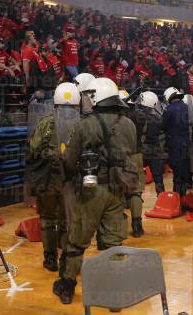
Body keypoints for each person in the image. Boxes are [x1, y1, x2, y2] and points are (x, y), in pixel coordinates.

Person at [62, 77, 138, 304]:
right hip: (118, 191)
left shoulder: (85, 124)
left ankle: (66, 288)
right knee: (112, 244)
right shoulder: (130, 125)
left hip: (91, 191)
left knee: (77, 243)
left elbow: (69, 160)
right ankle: (114, 295)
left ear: (96, 98)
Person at [27, 82, 81, 304]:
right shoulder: (81, 124)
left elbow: (33, 147)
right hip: (71, 180)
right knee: (68, 221)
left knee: (48, 220)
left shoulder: (47, 122)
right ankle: (67, 262)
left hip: (49, 178)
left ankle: (50, 258)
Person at [120, 89, 147, 238]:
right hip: (136, 156)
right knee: (136, 191)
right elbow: (144, 134)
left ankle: (118, 228)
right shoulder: (140, 116)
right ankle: (137, 225)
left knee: (117, 190)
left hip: (120, 157)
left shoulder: (116, 118)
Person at [161, 87, 191, 196]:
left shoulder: (169, 109)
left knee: (177, 172)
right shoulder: (188, 107)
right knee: (185, 169)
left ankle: (177, 197)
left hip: (175, 144)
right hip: (188, 143)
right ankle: (185, 196)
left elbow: (162, 125)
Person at [138, 91, 166, 196]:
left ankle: (136, 199)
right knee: (158, 177)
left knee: (139, 176)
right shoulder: (158, 118)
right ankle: (162, 197)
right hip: (155, 149)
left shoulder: (138, 117)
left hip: (142, 149)